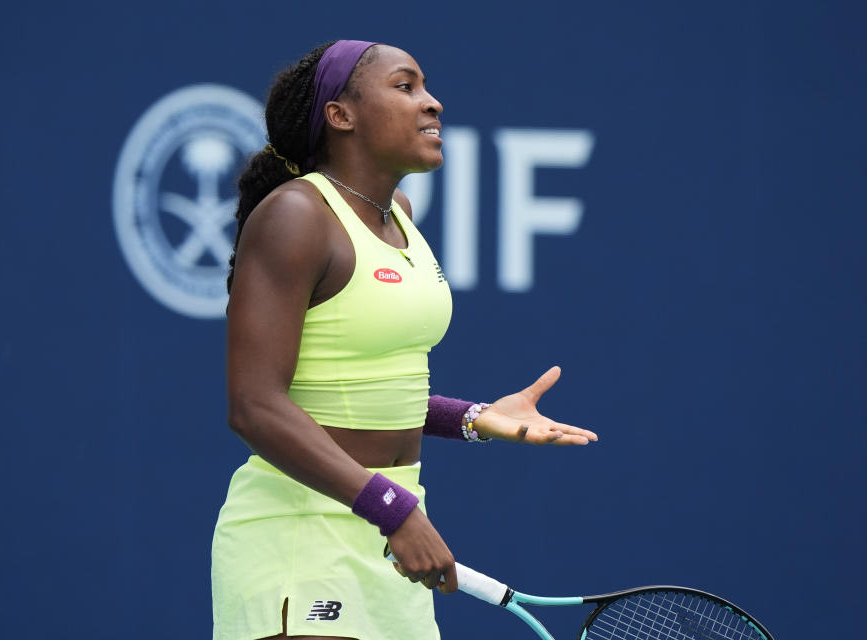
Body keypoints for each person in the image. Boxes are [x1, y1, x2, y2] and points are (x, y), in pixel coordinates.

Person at [212, 40, 598, 640]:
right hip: (301, 533)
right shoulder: (297, 216)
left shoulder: (401, 215)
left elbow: (352, 390)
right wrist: (392, 511)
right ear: (341, 114)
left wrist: (472, 417)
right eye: (405, 86)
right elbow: (255, 405)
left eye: (426, 88)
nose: (432, 103)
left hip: (390, 531)